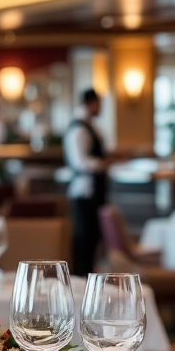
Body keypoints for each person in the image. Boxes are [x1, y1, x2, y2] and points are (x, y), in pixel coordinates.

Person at [64, 89, 109, 276]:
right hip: (83, 192)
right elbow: (80, 162)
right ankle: (80, 282)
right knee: (84, 240)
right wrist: (105, 163)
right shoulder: (79, 128)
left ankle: (89, 279)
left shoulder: (89, 126)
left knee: (93, 239)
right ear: (91, 103)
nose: (101, 108)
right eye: (99, 104)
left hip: (94, 192)